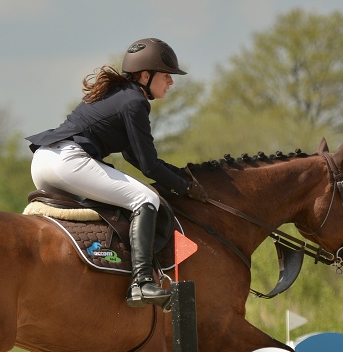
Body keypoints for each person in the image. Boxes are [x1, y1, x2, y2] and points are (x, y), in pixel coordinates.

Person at [26, 38, 208, 308]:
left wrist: (181, 176)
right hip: (68, 161)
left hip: (44, 161)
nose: (171, 82)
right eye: (166, 76)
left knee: (123, 202)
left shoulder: (120, 94)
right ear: (145, 76)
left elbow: (135, 157)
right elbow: (149, 165)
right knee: (146, 199)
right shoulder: (135, 102)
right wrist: (186, 188)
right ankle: (142, 283)